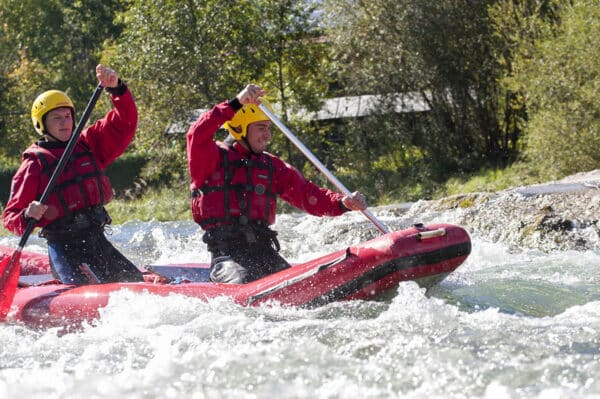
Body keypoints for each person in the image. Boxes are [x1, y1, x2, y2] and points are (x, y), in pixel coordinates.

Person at [186, 84, 368, 284]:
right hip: (228, 257)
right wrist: (236, 103)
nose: (267, 135)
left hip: (265, 252)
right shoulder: (210, 159)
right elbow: (197, 133)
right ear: (239, 128)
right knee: (245, 281)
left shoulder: (271, 166)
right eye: (261, 128)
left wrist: (342, 203)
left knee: (298, 286)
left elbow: (308, 195)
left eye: (269, 128)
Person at [2, 64, 144, 285]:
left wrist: (117, 90)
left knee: (135, 284)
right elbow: (11, 217)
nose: (64, 122)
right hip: (64, 248)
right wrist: (27, 214)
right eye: (56, 118)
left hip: (97, 241)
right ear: (42, 124)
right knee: (82, 292)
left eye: (67, 116)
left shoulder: (88, 144)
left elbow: (124, 123)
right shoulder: (34, 164)